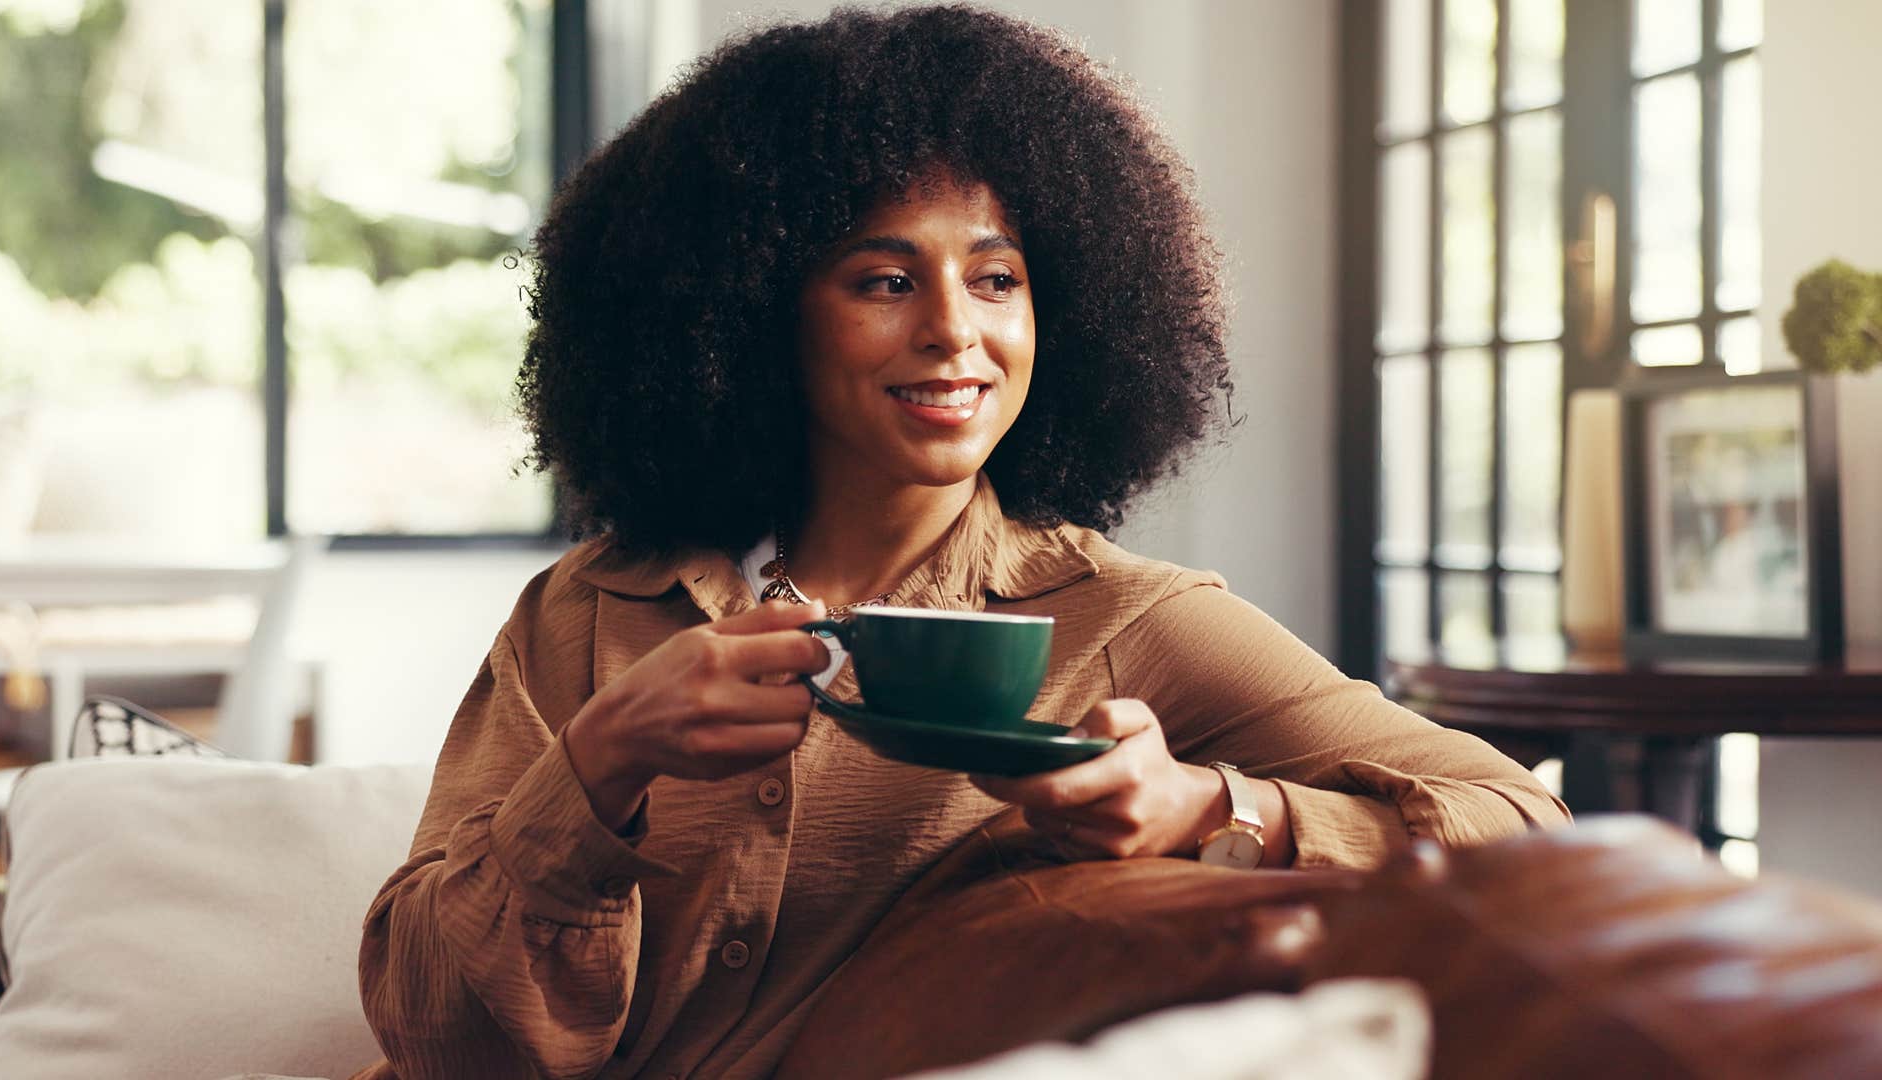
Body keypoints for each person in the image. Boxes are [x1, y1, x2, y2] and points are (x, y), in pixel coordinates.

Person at [354, 6, 1569, 1078]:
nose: (955, 331)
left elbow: (1524, 827)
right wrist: (604, 758)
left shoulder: (1125, 619)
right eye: (885, 281)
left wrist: (1207, 806)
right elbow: (434, 1035)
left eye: (996, 279)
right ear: (751, 314)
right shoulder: (593, 611)